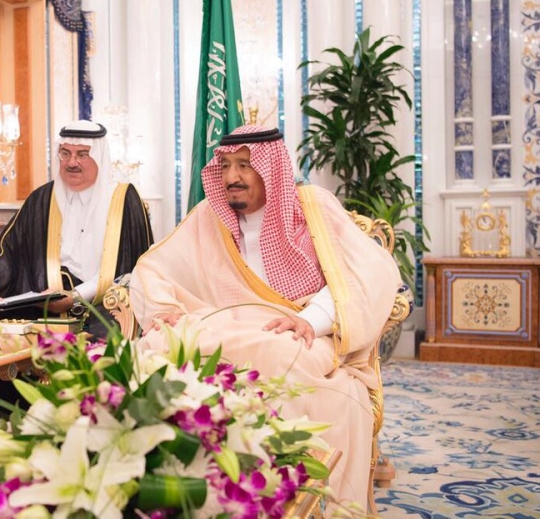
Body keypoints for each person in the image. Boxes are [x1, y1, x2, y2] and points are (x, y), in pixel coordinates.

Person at [130, 124, 401, 509]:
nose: (231, 177)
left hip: (303, 331)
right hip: (229, 324)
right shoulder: (210, 215)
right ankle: (185, 483)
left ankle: (281, 493)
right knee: (159, 344)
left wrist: (314, 318)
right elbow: (152, 268)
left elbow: (369, 271)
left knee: (281, 354)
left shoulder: (313, 207)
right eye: (225, 165)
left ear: (270, 168)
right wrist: (164, 309)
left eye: (244, 165)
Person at [0, 119, 153, 338]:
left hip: (104, 310)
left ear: (99, 157)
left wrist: (75, 297)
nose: (72, 163)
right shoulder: (42, 199)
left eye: (82, 155)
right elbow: (9, 248)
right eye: (65, 153)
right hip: (44, 310)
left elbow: (132, 267)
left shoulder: (123, 200)